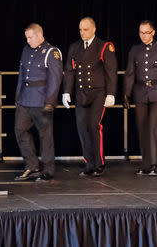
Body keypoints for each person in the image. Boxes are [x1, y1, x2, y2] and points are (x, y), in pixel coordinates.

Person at [62, 17, 118, 177]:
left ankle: (99, 163)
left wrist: (111, 93)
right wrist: (67, 91)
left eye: (85, 29)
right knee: (81, 128)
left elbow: (111, 72)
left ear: (93, 29)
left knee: (94, 126)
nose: (82, 32)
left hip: (98, 93)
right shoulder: (75, 47)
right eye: (80, 29)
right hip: (81, 94)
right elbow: (70, 71)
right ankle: (89, 163)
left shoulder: (104, 46)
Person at [123, 20, 157, 176]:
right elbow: (130, 73)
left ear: (153, 32)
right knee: (142, 128)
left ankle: (155, 164)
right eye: (141, 32)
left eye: (146, 32)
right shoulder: (135, 50)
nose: (144, 36)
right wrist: (126, 93)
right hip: (140, 92)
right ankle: (146, 164)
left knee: (154, 127)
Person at [14, 23, 63, 181]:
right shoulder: (26, 50)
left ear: (39, 35)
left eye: (30, 37)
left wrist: (50, 101)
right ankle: (32, 165)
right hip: (26, 99)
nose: (28, 40)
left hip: (42, 99)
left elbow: (55, 79)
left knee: (45, 136)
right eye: (26, 37)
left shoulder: (51, 52)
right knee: (20, 130)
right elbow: (22, 74)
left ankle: (48, 169)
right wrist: (18, 96)